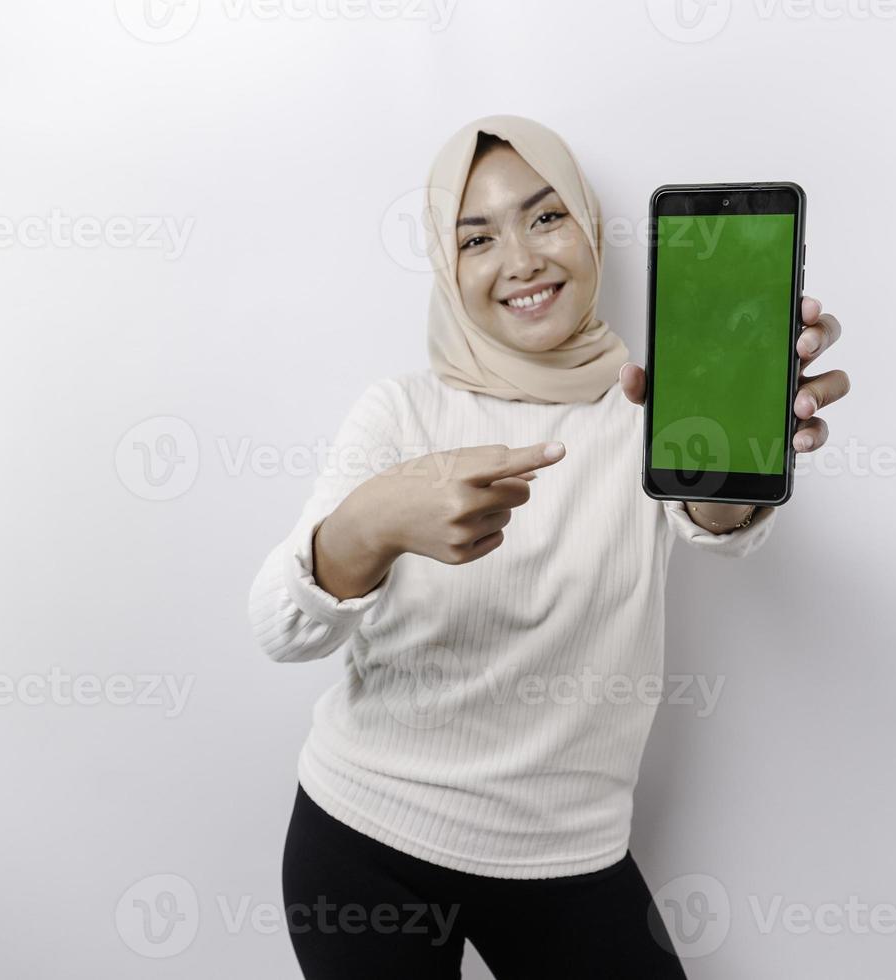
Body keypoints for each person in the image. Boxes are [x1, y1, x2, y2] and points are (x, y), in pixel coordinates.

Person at [248, 113, 850, 978]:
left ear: (588, 228)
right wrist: (374, 522)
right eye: (478, 235)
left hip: (567, 854)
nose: (523, 260)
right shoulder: (402, 412)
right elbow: (280, 628)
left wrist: (743, 462)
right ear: (447, 268)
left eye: (545, 216)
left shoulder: (652, 401)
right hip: (369, 836)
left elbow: (713, 526)